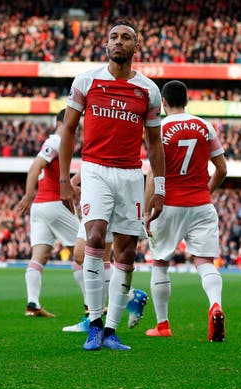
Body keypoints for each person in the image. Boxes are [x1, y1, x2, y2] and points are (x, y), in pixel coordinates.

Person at [59, 20, 165, 351]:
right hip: (95, 170)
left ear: (136, 46)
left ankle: (111, 330)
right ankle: (93, 322)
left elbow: (156, 143)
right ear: (106, 45)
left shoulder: (148, 90)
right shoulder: (87, 80)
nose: (118, 42)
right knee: (93, 236)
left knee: (127, 252)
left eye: (126, 38)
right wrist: (65, 179)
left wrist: (159, 188)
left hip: (131, 175)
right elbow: (68, 130)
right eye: (113, 37)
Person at [143, 80, 228, 341]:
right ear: (187, 102)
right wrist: (207, 191)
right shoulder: (204, 126)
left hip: (169, 204)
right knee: (204, 262)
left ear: (164, 103)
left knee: (160, 262)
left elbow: (153, 174)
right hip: (201, 204)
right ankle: (215, 305)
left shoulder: (160, 127)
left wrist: (147, 211)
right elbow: (222, 169)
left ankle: (162, 325)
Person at [15, 109, 81, 317]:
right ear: (61, 123)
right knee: (83, 254)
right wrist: (27, 194)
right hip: (54, 204)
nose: (75, 129)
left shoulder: (53, 142)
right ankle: (92, 305)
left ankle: (32, 304)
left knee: (40, 256)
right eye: (73, 124)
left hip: (40, 208)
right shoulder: (56, 141)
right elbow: (34, 167)